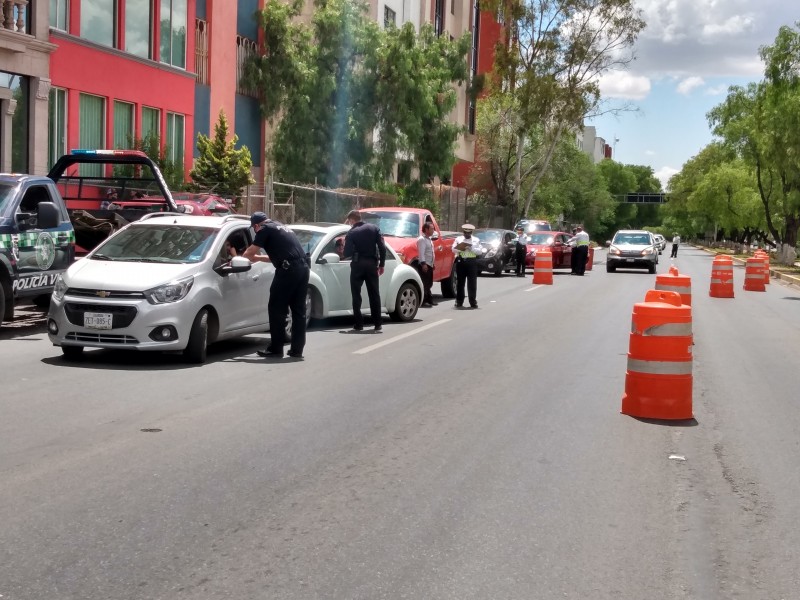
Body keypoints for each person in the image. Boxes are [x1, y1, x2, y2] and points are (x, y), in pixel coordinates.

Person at [243, 212, 309, 359]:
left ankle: (276, 348)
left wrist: (237, 259)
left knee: (276, 308)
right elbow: (279, 256)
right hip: (303, 269)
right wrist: (257, 258)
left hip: (288, 271)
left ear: (255, 225)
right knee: (299, 311)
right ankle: (297, 350)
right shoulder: (280, 226)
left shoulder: (264, 229)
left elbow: (250, 251)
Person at [343, 209, 387, 332]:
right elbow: (382, 248)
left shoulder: (351, 232)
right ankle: (377, 323)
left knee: (356, 295)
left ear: (352, 220)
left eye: (349, 221)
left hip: (357, 265)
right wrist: (382, 264)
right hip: (372, 264)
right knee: (374, 294)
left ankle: (359, 324)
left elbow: (347, 253)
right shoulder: (374, 228)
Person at [451, 223, 485, 308]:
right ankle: (459, 301)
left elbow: (480, 251)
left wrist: (471, 248)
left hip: (471, 263)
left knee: (472, 283)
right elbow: (453, 249)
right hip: (461, 262)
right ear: (463, 232)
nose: (467, 235)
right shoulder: (459, 239)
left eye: (469, 233)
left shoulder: (476, 240)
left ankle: (472, 301)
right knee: (460, 283)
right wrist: (461, 247)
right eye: (466, 233)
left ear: (471, 233)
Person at [417, 221, 437, 306]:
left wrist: (433, 263)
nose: (433, 230)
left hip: (430, 264)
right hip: (425, 264)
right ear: (426, 229)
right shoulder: (422, 239)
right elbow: (421, 253)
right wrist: (423, 264)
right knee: (425, 283)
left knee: (429, 283)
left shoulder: (429, 239)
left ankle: (429, 299)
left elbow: (430, 252)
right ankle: (424, 300)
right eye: (431, 229)